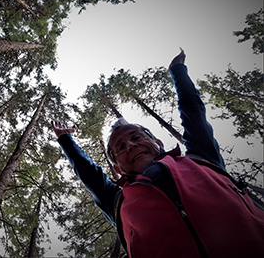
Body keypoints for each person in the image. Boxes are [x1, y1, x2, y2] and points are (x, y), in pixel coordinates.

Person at [51, 49, 264, 258]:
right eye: (121, 147)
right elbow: (87, 172)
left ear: (158, 143)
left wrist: (178, 71)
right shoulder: (117, 200)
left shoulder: (201, 158)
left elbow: (193, 113)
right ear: (117, 168)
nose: (131, 146)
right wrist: (65, 139)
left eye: (136, 137)